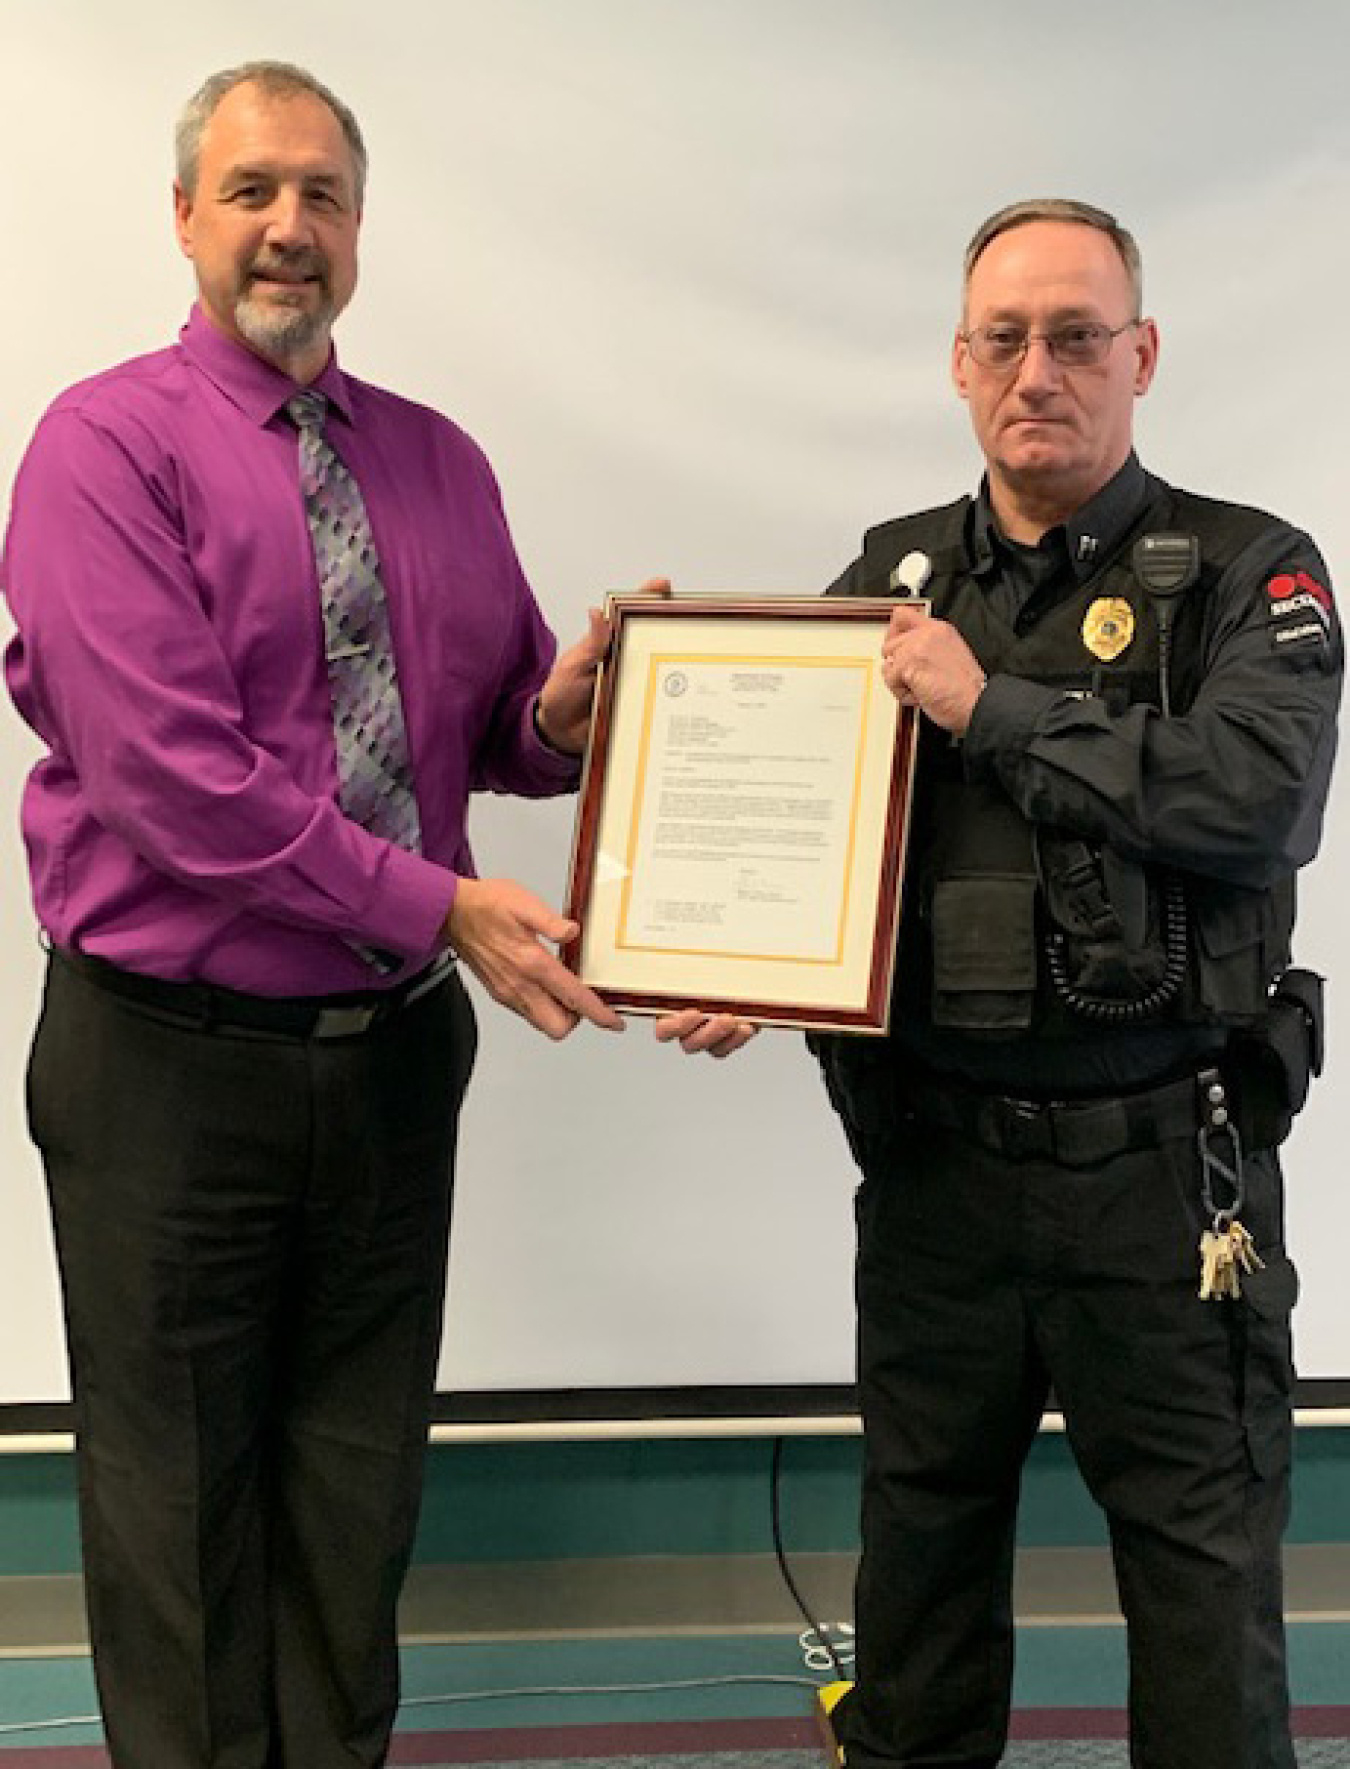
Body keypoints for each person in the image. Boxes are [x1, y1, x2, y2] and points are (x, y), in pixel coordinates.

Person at [1, 60, 640, 1769]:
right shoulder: (103, 447)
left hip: (385, 1070)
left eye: (325, 196)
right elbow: (177, 788)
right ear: (189, 219)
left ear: (361, 229)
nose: (292, 228)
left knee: (356, 1501)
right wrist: (445, 905)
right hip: (167, 1068)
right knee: (180, 1517)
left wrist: (578, 711)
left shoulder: (436, 462)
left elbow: (493, 723)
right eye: (255, 190)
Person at [664, 198, 1341, 1768]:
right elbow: (815, 836)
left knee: (1200, 1598)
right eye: (1003, 339)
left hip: (1166, 1185)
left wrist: (995, 708)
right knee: (915, 1589)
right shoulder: (883, 580)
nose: (1037, 369)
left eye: (1076, 336)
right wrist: (747, 957)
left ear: (1141, 354)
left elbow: (1256, 795)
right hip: (936, 1186)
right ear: (957, 365)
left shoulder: (1251, 572)